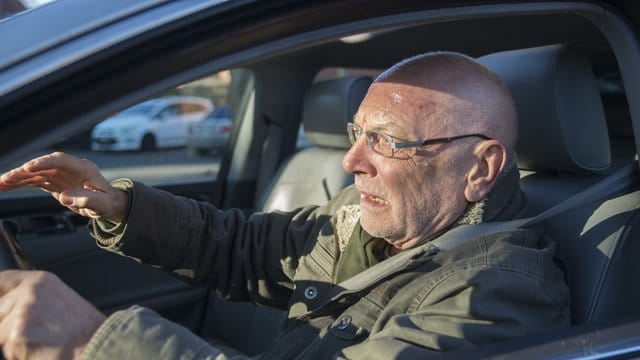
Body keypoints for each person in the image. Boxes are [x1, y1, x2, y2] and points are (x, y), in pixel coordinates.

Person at [0, 52, 570, 360]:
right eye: (357, 132)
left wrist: (98, 345)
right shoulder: (366, 213)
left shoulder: (497, 294)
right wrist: (117, 205)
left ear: (481, 168)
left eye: (388, 141)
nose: (351, 162)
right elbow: (245, 247)